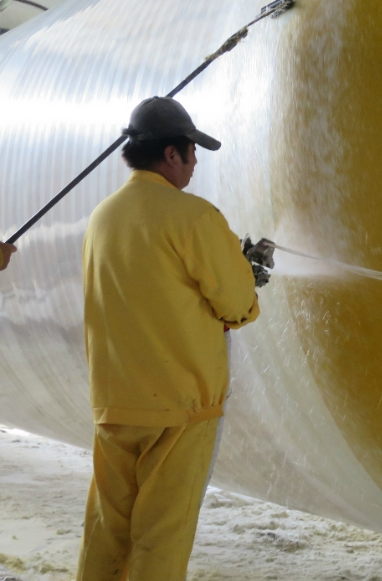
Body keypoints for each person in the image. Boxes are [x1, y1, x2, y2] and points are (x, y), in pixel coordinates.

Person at [77, 97, 260, 581]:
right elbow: (237, 305)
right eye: (192, 152)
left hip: (114, 403)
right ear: (172, 155)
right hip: (179, 409)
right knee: (161, 536)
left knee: (107, 529)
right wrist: (247, 275)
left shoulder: (102, 217)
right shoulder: (193, 217)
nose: (196, 163)